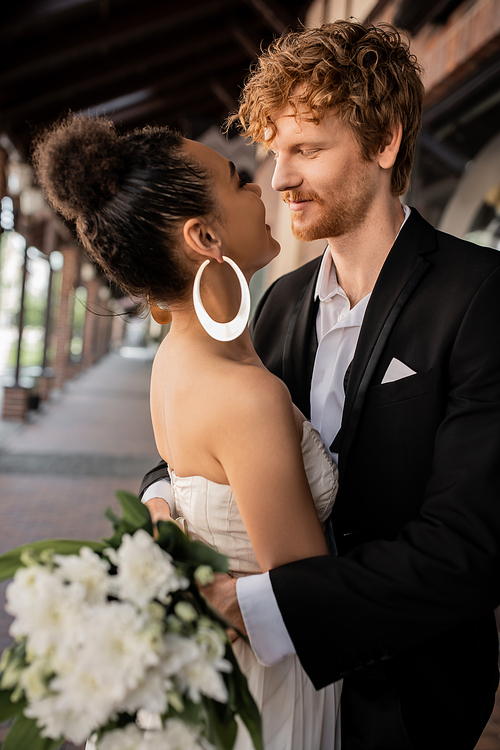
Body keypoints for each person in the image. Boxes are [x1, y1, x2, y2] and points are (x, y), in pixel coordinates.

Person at [141, 20, 500, 750]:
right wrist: (161, 506)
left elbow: (470, 547)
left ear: (385, 142)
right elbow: (212, 431)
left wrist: (257, 606)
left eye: (306, 149)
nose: (280, 179)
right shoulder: (277, 301)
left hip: (404, 704)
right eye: (275, 153)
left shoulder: (482, 296)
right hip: (271, 698)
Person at [33, 114, 342, 749]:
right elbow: (312, 596)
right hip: (267, 689)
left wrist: (160, 506)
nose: (261, 186)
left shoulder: (175, 360)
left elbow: (181, 481)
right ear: (204, 235)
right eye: (238, 180)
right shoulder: (246, 395)